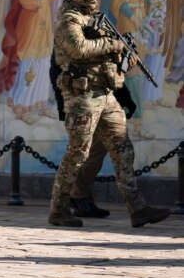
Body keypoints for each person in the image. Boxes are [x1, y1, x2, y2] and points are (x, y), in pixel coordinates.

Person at [49, 0, 171, 228]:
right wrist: (111, 45)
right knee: (78, 154)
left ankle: (138, 209)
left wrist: (124, 56)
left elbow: (107, 56)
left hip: (106, 95)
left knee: (123, 150)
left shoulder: (94, 20)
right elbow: (79, 49)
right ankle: (59, 210)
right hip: (82, 97)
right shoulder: (69, 20)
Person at [49, 53, 137, 218]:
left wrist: (125, 97)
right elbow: (57, 70)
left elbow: (106, 73)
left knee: (95, 149)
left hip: (101, 102)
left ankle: (82, 198)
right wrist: (63, 103)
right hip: (84, 104)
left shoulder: (99, 36)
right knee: (85, 151)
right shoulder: (76, 36)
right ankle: (76, 196)